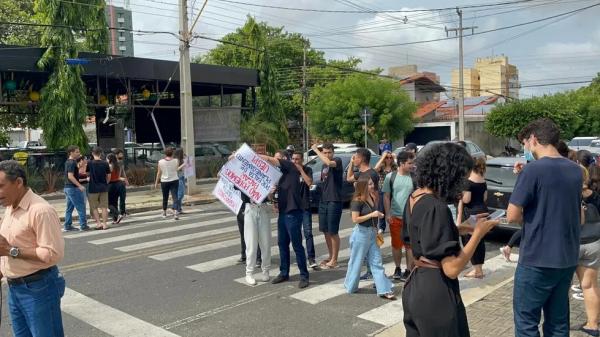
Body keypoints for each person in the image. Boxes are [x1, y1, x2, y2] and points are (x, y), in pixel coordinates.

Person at [402, 143, 499, 337]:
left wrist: (458, 228)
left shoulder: (415, 197)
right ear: (450, 175)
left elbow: (420, 235)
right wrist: (478, 234)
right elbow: (452, 269)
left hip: (416, 286)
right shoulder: (438, 208)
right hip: (436, 292)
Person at [506, 118, 582, 337]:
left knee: (526, 322)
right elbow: (579, 216)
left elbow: (512, 216)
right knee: (558, 323)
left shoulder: (532, 172)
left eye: (525, 143)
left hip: (536, 259)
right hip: (566, 258)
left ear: (534, 139)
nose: (525, 149)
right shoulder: (575, 170)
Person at [0, 160, 66, 337]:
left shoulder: (40, 211)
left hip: (38, 287)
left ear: (18, 183)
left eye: (1, 186)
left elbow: (52, 254)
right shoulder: (10, 206)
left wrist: (10, 250)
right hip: (14, 288)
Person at [261, 150, 310, 289]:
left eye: (278, 159)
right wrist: (271, 194)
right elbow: (273, 198)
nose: (275, 161)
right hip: (283, 213)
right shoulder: (279, 175)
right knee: (282, 244)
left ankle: (304, 275)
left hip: (293, 213)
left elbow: (269, 159)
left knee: (297, 245)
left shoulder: (290, 166)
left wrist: (248, 156)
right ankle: (284, 272)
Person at [344, 176, 396, 300]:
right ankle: (350, 286)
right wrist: (372, 214)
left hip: (372, 233)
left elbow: (373, 215)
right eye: (369, 184)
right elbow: (355, 219)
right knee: (356, 262)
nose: (372, 186)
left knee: (376, 262)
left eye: (372, 184)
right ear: (363, 186)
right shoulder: (357, 200)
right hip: (361, 234)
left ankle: (384, 290)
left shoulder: (373, 196)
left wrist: (377, 225)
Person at [575, 165, 600, 336]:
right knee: (590, 285)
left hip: (572, 243)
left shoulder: (568, 194)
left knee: (560, 286)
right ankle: (593, 324)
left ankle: (557, 324)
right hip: (594, 242)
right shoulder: (596, 195)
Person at [383, 151, 415, 281]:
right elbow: (386, 196)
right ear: (401, 163)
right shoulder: (390, 177)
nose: (412, 165)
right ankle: (397, 268)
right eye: (410, 163)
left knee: (410, 246)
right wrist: (388, 213)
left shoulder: (415, 177)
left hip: (411, 218)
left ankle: (408, 269)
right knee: (396, 245)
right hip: (395, 217)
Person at [311, 143, 343, 269]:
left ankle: (335, 260)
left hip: (334, 200)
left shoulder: (337, 161)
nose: (327, 154)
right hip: (324, 200)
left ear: (333, 152)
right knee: (325, 230)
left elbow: (330, 163)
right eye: (325, 152)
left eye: (329, 152)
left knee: (333, 231)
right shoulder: (324, 165)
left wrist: (316, 151)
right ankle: (330, 256)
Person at [457, 156, 489, 279]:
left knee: (470, 241)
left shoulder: (468, 181)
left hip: (471, 213)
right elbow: (485, 197)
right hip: (483, 211)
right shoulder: (483, 180)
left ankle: (476, 270)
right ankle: (479, 268)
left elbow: (466, 199)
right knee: (480, 240)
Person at [291, 151, 317, 268]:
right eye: (293, 159)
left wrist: (301, 170)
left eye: (297, 159)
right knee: (295, 234)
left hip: (305, 206)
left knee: (308, 233)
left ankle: (311, 258)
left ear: (302, 160)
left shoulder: (307, 170)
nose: (294, 161)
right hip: (293, 206)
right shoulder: (290, 171)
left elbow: (309, 183)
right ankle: (299, 257)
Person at [63, 145, 88, 232]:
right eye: (77, 152)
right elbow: (70, 176)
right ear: (71, 153)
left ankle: (67, 225)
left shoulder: (68, 162)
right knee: (80, 206)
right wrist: (79, 185)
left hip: (67, 187)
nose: (79, 153)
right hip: (73, 188)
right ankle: (83, 225)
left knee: (69, 208)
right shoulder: (72, 162)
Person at [87, 147, 111, 230]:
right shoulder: (105, 163)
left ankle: (99, 223)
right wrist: (106, 183)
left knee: (94, 207)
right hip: (103, 187)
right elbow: (108, 176)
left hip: (93, 188)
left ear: (92, 153)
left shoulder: (89, 163)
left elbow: (87, 173)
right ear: (100, 153)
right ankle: (105, 224)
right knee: (104, 207)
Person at [374, 150, 397, 233]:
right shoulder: (381, 167)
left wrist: (395, 158)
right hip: (382, 190)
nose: (389, 159)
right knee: (381, 209)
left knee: (393, 208)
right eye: (387, 157)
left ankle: (393, 224)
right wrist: (383, 157)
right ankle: (381, 227)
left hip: (392, 190)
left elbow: (401, 169)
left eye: (390, 157)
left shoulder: (394, 167)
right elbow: (375, 169)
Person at [154, 147, 180, 220]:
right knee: (175, 197)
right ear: (172, 153)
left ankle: (164, 212)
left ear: (165, 153)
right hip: (174, 180)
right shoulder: (176, 160)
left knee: (165, 197)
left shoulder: (160, 162)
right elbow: (176, 169)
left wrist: (156, 183)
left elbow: (159, 173)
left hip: (164, 181)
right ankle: (175, 213)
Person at [107, 153, 126, 224]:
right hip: (119, 183)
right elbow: (119, 176)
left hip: (111, 184)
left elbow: (108, 176)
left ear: (109, 159)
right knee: (117, 201)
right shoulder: (118, 165)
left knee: (109, 202)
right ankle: (116, 219)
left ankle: (117, 214)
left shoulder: (109, 166)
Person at [113, 148, 129, 219]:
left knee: (123, 198)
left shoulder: (121, 162)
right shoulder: (114, 163)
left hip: (121, 181)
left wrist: (126, 179)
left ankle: (122, 212)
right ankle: (118, 213)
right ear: (116, 155)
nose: (122, 155)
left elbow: (123, 171)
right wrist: (120, 178)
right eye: (120, 154)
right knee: (116, 198)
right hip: (117, 182)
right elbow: (116, 174)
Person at [174, 148, 186, 214]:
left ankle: (179, 208)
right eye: (182, 152)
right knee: (180, 194)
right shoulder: (176, 160)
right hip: (178, 178)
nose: (183, 153)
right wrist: (184, 164)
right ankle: (174, 207)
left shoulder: (181, 160)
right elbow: (176, 169)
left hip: (182, 177)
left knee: (181, 193)